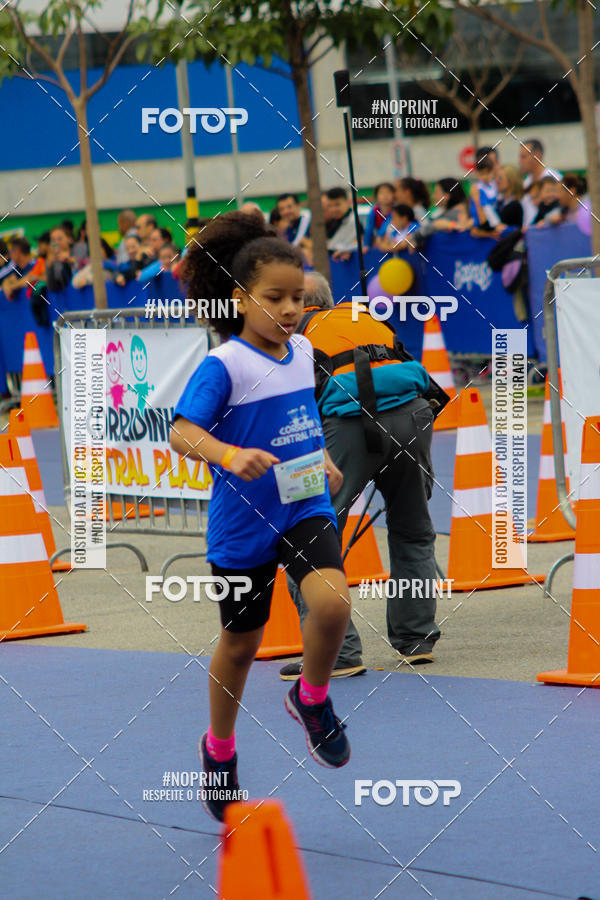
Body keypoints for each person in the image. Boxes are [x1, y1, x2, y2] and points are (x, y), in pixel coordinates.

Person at [171, 212, 352, 821]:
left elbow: (300, 414)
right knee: (242, 645)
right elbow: (182, 433)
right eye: (273, 298)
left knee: (332, 605)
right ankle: (219, 752)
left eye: (298, 298)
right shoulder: (224, 365)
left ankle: (312, 697)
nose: (289, 309)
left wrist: (322, 454)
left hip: (303, 504)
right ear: (239, 298)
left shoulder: (303, 351)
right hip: (243, 523)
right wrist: (228, 454)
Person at [279, 272, 442, 683]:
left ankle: (338, 653)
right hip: (413, 415)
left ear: (300, 304)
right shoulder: (366, 318)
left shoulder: (295, 340)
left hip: (347, 424)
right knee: (412, 529)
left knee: (306, 535)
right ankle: (416, 639)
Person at [519, 138, 562, 226]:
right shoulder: (525, 184)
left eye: (523, 157)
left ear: (537, 156)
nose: (520, 161)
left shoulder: (555, 178)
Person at [326, 186, 361, 258]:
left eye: (337, 204)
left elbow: (363, 243)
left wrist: (347, 250)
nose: (333, 209)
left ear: (348, 202)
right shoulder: (331, 222)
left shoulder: (356, 220)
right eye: (330, 205)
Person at [469, 157, 500, 233]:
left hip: (492, 216)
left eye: (488, 173)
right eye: (482, 174)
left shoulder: (494, 184)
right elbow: (485, 206)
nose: (485, 177)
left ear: (493, 171)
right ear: (477, 174)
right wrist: (496, 224)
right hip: (479, 218)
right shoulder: (478, 187)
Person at [363, 182, 395, 250]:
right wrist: (366, 245)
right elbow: (369, 229)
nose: (385, 195)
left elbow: (387, 224)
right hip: (378, 243)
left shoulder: (395, 211)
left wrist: (379, 237)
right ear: (377, 196)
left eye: (388, 192)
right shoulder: (374, 211)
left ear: (394, 195)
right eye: (382, 193)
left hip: (391, 241)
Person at [45, 225, 76, 291]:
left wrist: (71, 260)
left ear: (69, 239)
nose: (56, 243)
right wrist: (50, 266)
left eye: (60, 239)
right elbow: (51, 288)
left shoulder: (79, 251)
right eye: (53, 240)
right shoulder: (52, 261)